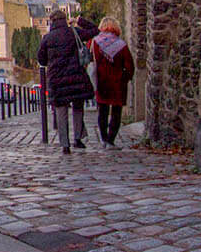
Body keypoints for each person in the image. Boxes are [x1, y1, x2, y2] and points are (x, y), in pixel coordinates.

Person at [37, 10, 99, 154]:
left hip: (57, 79)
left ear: (51, 21)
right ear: (65, 20)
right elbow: (95, 30)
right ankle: (78, 138)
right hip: (75, 76)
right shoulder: (74, 32)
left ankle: (65, 144)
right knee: (78, 107)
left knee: (61, 110)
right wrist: (79, 20)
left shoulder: (47, 38)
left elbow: (41, 60)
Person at [91, 17, 135, 148]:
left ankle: (104, 138)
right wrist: (125, 77)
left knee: (102, 112)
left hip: (101, 81)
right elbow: (129, 65)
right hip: (117, 82)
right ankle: (111, 139)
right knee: (116, 112)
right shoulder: (121, 45)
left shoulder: (95, 43)